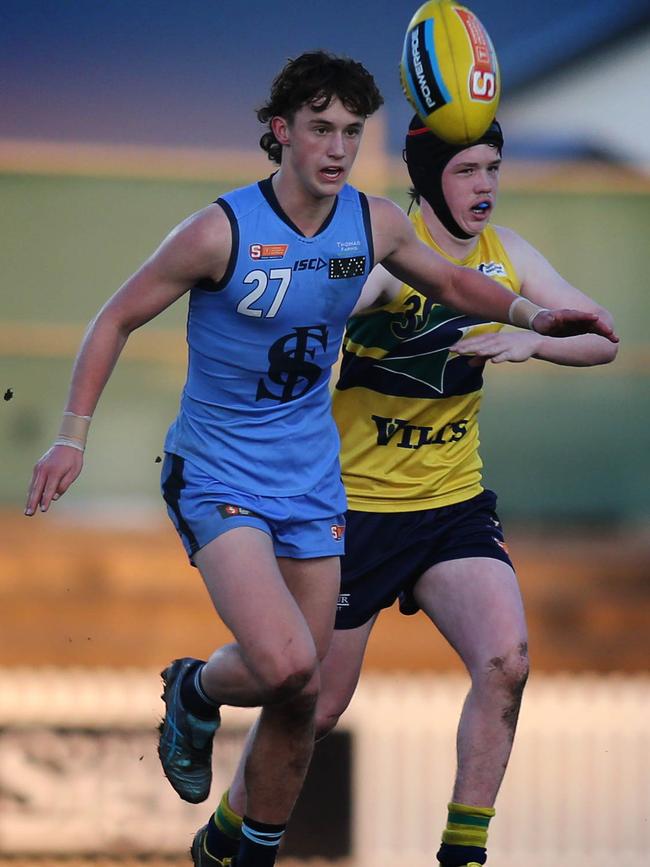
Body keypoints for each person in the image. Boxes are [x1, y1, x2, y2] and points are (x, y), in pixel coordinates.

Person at [24, 49, 616, 867]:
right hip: (223, 474)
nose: (338, 147)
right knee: (288, 664)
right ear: (281, 132)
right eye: (320, 129)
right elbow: (115, 318)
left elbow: (450, 282)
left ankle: (245, 854)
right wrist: (70, 434)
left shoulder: (373, 223)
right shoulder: (219, 230)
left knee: (308, 697)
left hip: (315, 484)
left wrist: (529, 319)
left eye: (351, 130)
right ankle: (194, 687)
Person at [202, 115, 619, 867]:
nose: (486, 185)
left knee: (507, 659)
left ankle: (462, 854)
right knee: (317, 707)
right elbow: (315, 309)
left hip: (451, 511)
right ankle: (227, 834)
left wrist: (535, 338)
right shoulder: (389, 257)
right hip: (353, 513)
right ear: (429, 179)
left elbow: (602, 334)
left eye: (494, 167)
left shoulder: (508, 255)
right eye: (468, 171)